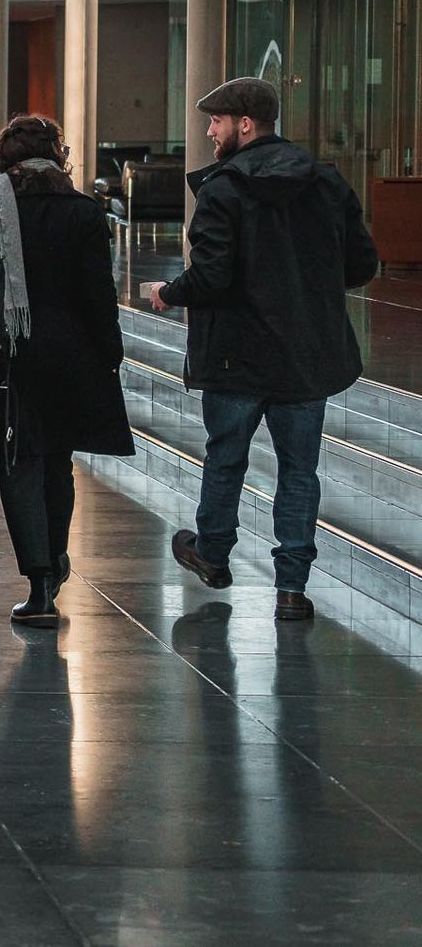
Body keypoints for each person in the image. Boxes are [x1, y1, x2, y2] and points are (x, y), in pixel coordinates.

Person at [151, 77, 378, 621]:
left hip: (236, 354)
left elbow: (210, 276)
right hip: (306, 353)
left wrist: (166, 292)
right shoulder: (324, 182)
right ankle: (292, 590)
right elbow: (363, 262)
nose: (209, 131)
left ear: (244, 125)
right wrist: (309, 287)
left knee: (226, 459)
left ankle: (212, 554)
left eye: (216, 121)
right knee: (300, 470)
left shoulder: (223, 190)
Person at [0, 115, 132, 626]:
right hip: (69, 355)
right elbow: (97, 292)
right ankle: (55, 559)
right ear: (56, 157)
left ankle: (40, 579)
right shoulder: (82, 213)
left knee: (18, 463)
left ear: (7, 159)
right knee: (57, 463)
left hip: (8, 354)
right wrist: (110, 351)